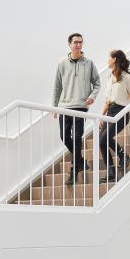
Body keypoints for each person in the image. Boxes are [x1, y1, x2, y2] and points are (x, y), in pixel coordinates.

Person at [51, 33, 101, 185]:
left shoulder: (89, 63)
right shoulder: (62, 63)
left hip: (81, 106)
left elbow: (97, 82)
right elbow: (57, 86)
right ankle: (80, 160)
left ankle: (74, 168)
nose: (78, 45)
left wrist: (93, 96)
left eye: (80, 42)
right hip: (65, 106)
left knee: (77, 137)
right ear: (69, 44)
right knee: (64, 136)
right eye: (75, 42)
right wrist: (54, 106)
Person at [100, 50, 130, 182]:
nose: (107, 60)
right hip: (110, 112)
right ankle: (112, 171)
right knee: (101, 142)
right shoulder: (109, 78)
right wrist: (101, 117)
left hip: (121, 112)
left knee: (103, 139)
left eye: (109, 58)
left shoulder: (126, 77)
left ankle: (123, 155)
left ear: (114, 59)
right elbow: (107, 100)